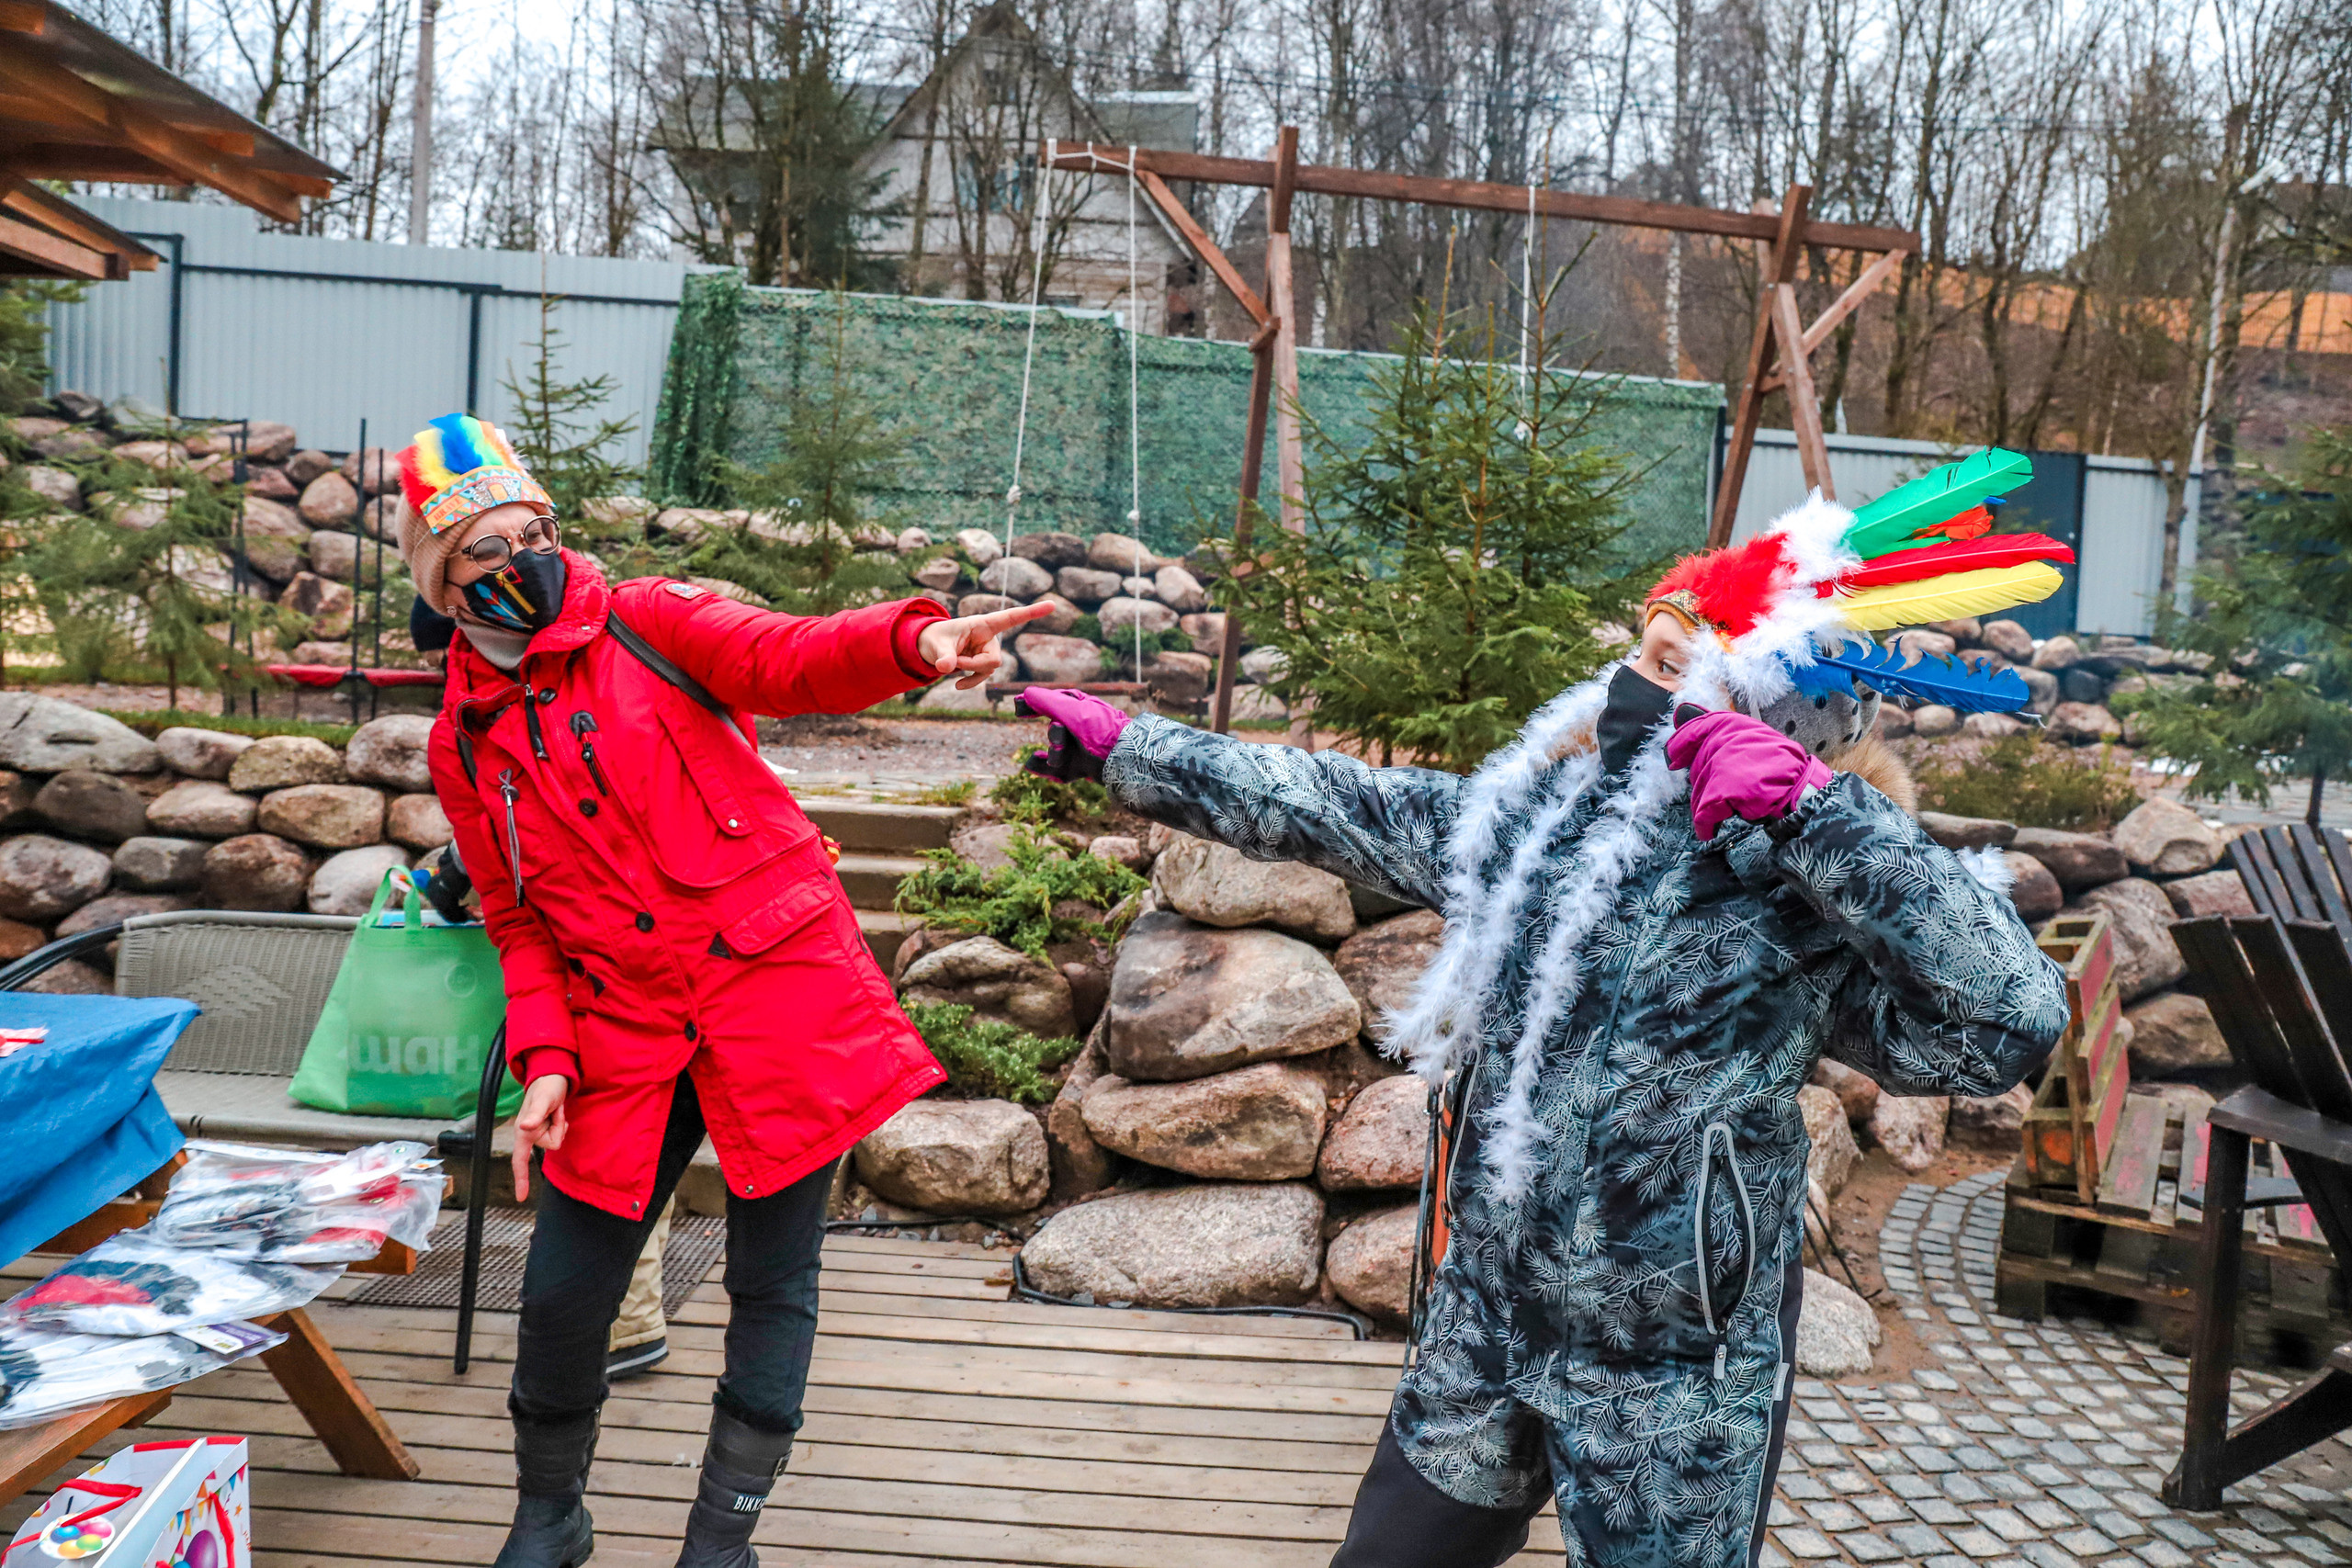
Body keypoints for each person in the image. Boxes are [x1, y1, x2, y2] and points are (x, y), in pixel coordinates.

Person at [1021, 486, 2073, 1568]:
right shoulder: (1535, 826)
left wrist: (1817, 815)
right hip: (1486, 1320)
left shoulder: (1812, 893)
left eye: (1674, 670)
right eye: (1644, 656)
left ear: (1772, 710)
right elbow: (1335, 802)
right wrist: (1131, 750)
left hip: (1675, 1366)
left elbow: (2009, 1018)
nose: (1631, 688)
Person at [393, 413, 1046, 1568]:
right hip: (620, 1027)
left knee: (771, 1278)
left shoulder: (648, 619)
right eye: (489, 549)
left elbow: (789, 654)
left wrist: (917, 642)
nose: (526, 559)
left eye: (535, 529)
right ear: (445, 583)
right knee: (560, 1294)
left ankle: (721, 1538)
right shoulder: (463, 738)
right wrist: (545, 1058)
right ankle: (550, 1515)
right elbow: (515, 918)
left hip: (773, 992)